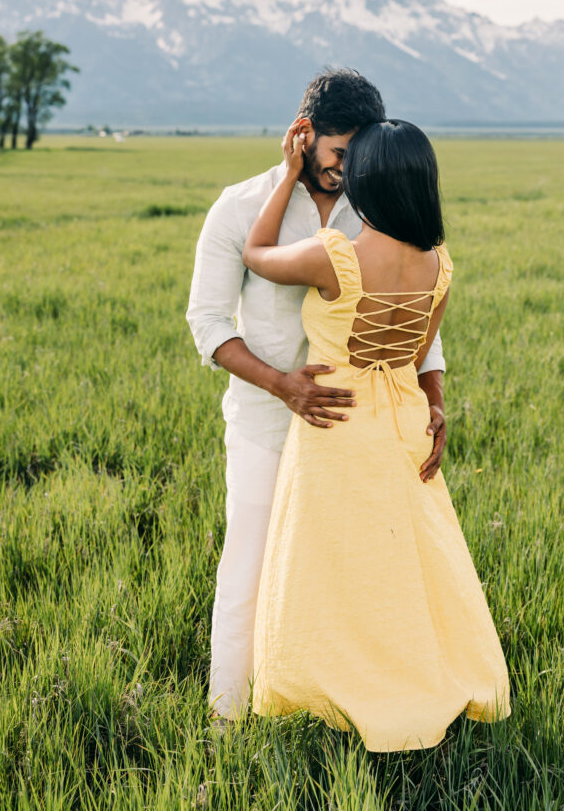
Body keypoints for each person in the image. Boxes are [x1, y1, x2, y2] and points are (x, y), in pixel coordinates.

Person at [186, 70, 448, 723]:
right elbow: (208, 322)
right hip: (266, 426)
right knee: (247, 571)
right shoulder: (240, 206)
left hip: (359, 436)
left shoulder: (379, 205)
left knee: (355, 580)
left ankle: (337, 715)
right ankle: (228, 718)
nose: (347, 171)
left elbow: (421, 315)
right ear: (302, 136)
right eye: (336, 155)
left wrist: (432, 399)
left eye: (358, 158)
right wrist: (283, 386)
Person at [242, 119, 511, 752]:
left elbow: (255, 254)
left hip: (336, 420)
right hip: (403, 417)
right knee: (403, 564)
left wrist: (286, 174)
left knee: (334, 565)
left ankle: (342, 687)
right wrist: (434, 406)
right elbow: (418, 354)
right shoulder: (439, 266)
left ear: (369, 181)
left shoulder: (335, 254)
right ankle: (416, 675)